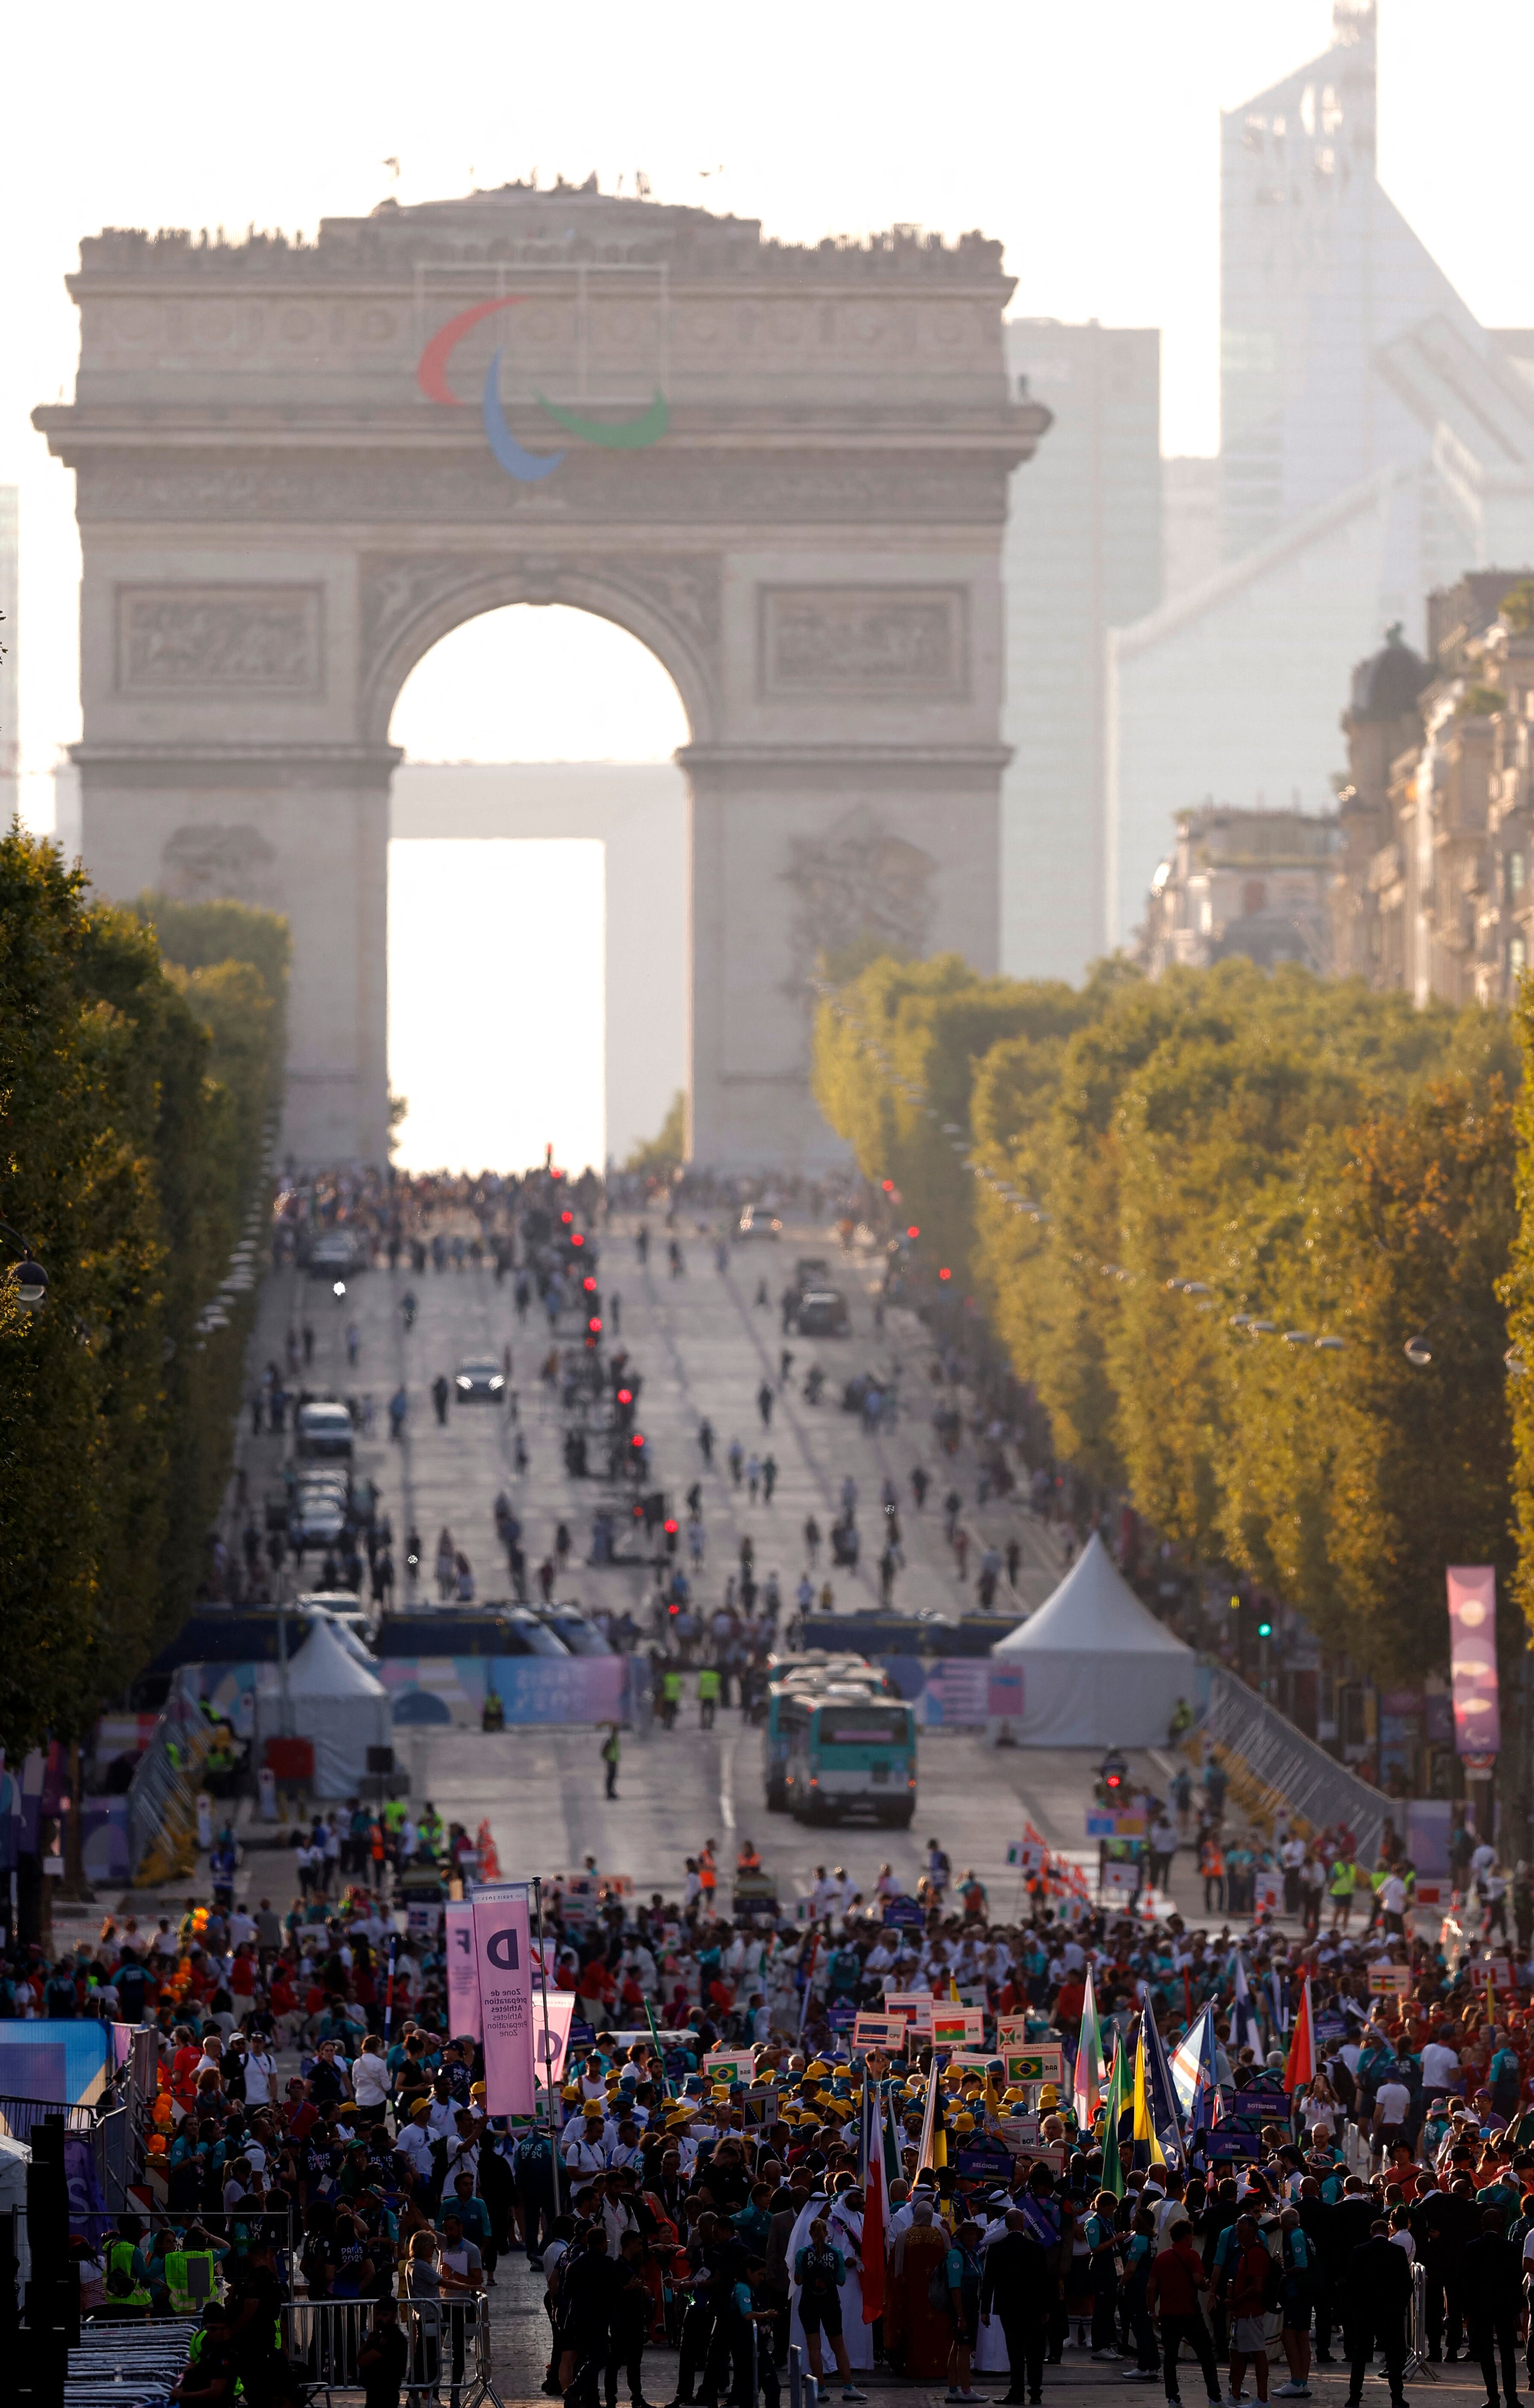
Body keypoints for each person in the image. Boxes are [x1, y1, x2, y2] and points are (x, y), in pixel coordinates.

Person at [1146, 2217, 1223, 2408]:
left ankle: (1173, 2398)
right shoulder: (1192, 2255)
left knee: (1171, 2359)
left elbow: (1151, 2286)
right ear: (1187, 2235)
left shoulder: (1162, 2258)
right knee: (1206, 2356)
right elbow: (1198, 2280)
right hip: (1190, 2313)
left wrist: (1152, 2312)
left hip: (1168, 2314)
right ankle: (1215, 2398)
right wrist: (1207, 2286)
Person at [979, 2208, 1053, 2406]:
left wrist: (985, 2309)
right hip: (1033, 2308)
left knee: (1015, 2351)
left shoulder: (996, 2249)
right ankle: (1036, 2393)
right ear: (1022, 2223)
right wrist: (1046, 2308)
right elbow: (1043, 2281)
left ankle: (1017, 2392)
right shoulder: (1036, 2248)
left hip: (1008, 2308)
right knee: (1035, 2352)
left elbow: (989, 2282)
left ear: (1006, 2225)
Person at [793, 2216, 867, 2405]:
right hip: (830, 2303)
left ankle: (821, 2389)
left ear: (811, 2234)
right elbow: (841, 2280)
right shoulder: (835, 2254)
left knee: (814, 2347)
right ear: (827, 2233)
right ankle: (849, 2387)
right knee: (839, 2347)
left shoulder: (803, 2253)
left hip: (809, 2303)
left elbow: (798, 2280)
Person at [1344, 2217, 1412, 2408]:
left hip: (1365, 2311)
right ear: (1388, 2232)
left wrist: (1355, 2307)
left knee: (1360, 2356)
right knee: (1394, 2355)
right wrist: (1400, 2306)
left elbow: (1351, 2283)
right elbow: (1407, 2284)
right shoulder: (1398, 2252)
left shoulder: (1359, 2252)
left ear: (1372, 2232)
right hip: (1391, 2311)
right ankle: (1397, 2396)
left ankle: (1354, 2396)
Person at [1463, 2204, 1522, 2408]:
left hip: (1481, 2307)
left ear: (1482, 2225)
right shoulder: (1512, 2248)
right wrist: (1517, 2311)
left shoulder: (1472, 2247)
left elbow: (1468, 2282)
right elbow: (1516, 2281)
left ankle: (1493, 2398)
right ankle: (1512, 2398)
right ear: (1501, 2225)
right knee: (1507, 2354)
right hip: (1505, 2306)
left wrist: (1467, 2311)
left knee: (1487, 2354)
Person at [601, 1725, 621, 1800]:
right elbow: (605, 1750)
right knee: (611, 1777)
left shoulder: (615, 1740)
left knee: (613, 1777)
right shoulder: (611, 1740)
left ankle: (611, 1791)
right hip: (611, 1761)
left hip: (614, 1760)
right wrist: (606, 1757)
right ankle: (609, 1793)